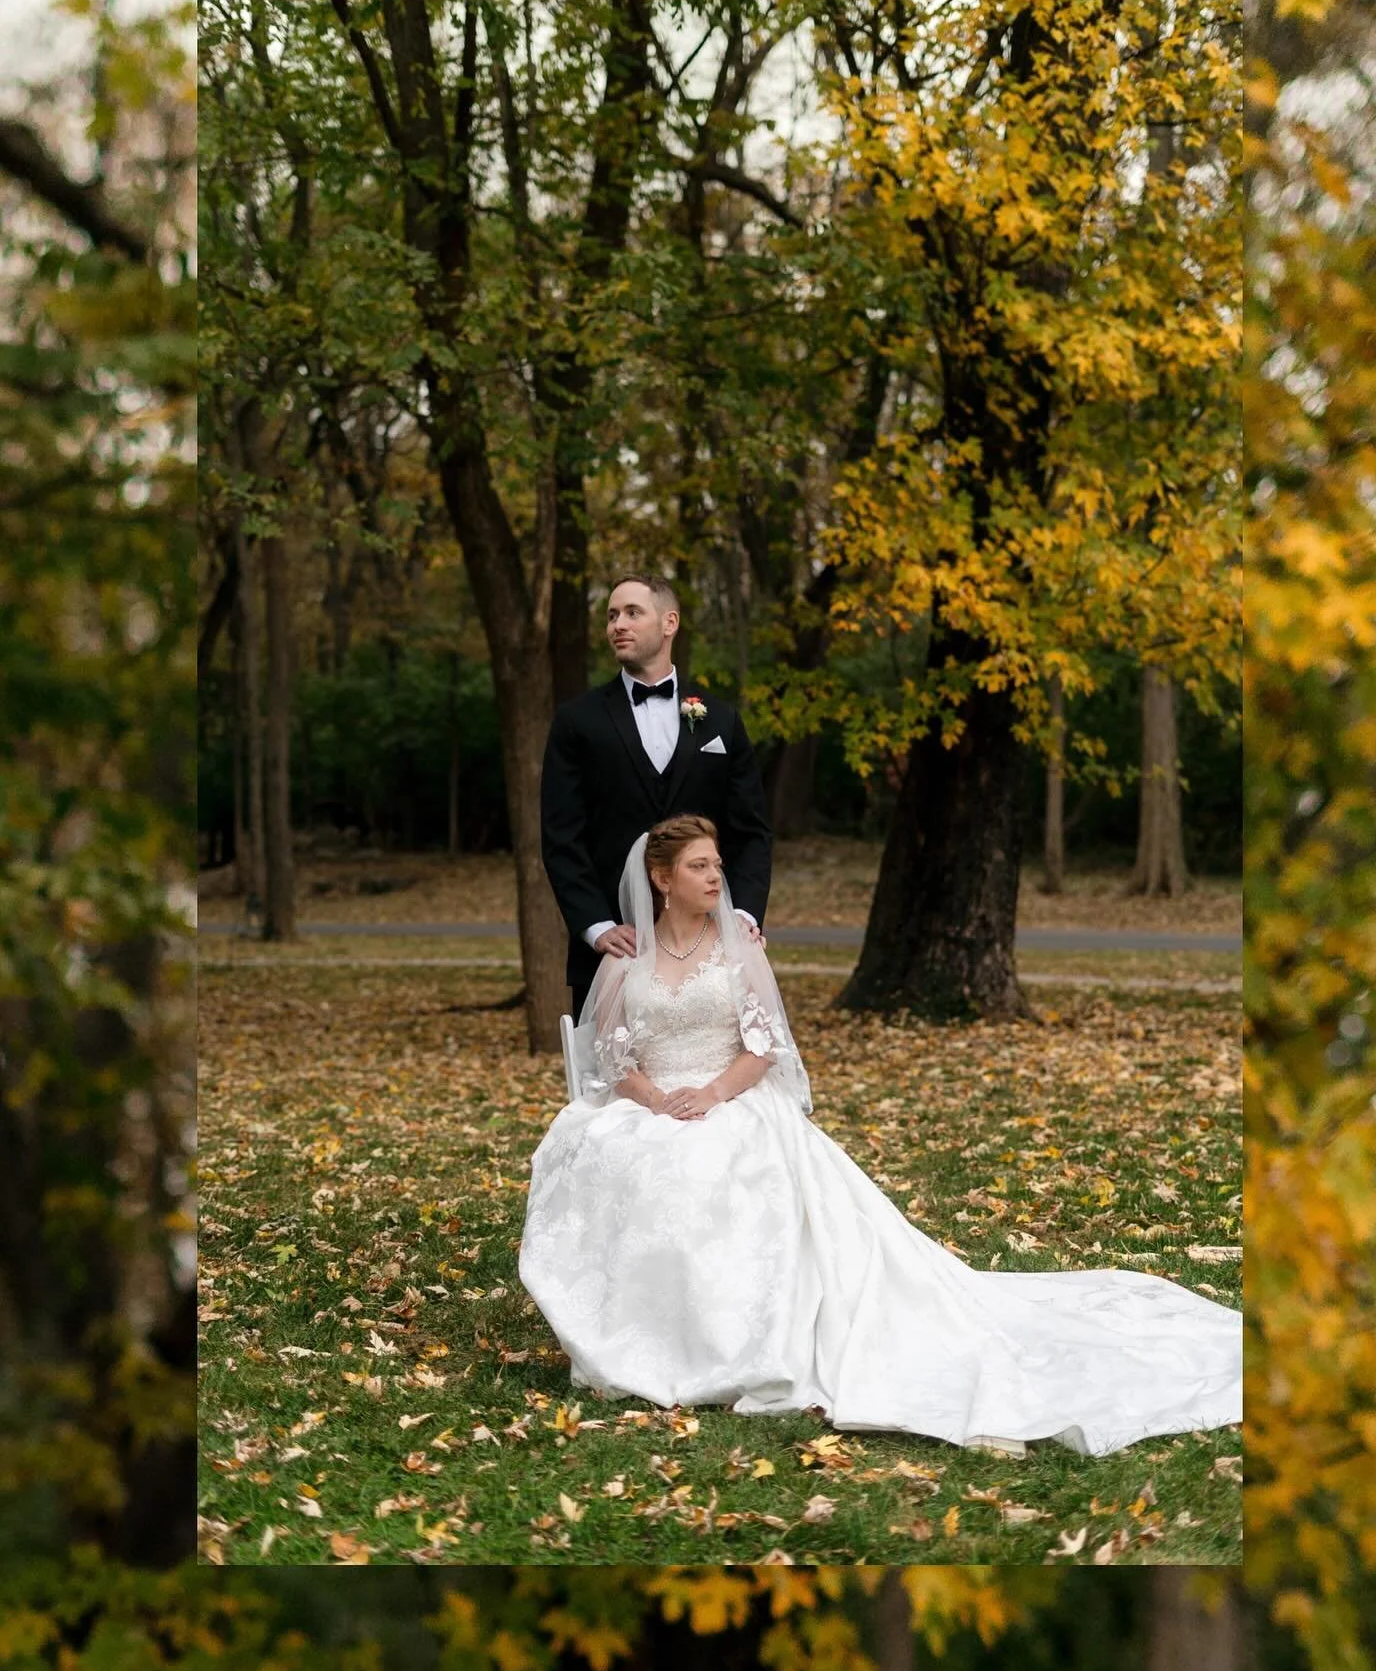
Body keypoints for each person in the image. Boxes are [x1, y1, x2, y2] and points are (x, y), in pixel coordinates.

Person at [518, 815, 1242, 1457]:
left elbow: (763, 1047)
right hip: (652, 1101)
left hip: (728, 1094)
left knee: (715, 1164)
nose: (716, 876)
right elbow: (612, 1057)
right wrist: (654, 1100)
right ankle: (639, 1335)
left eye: (717, 865)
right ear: (661, 876)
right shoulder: (622, 958)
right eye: (701, 866)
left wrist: (708, 1094)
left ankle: (732, 1340)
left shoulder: (739, 946)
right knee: (618, 1153)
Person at [540, 573, 772, 1023]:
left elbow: (752, 832)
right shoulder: (576, 722)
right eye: (611, 616)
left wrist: (740, 917)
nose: (617, 626)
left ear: (669, 623)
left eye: (632, 613)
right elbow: (561, 836)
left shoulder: (721, 721)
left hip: (711, 948)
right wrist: (596, 927)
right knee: (613, 1078)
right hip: (613, 949)